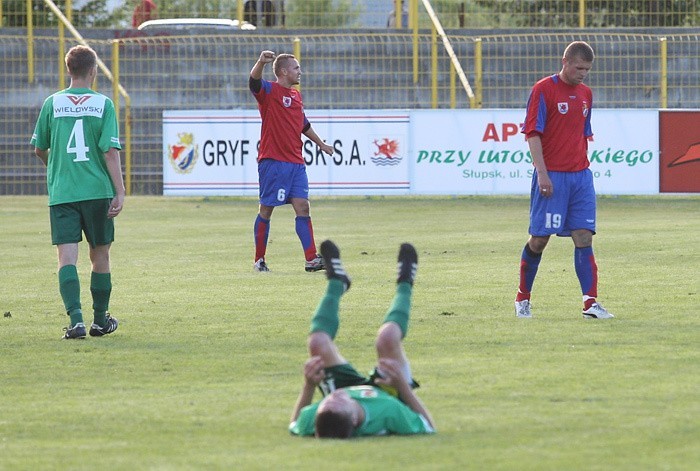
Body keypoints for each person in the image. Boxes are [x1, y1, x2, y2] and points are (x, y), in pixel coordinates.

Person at [289, 240, 436, 438]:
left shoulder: (322, 417)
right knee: (387, 338)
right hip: (389, 391)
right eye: (337, 402)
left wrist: (309, 386)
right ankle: (405, 282)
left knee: (317, 343)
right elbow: (428, 426)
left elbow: (295, 425)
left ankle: (337, 283)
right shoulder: (388, 412)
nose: (334, 397)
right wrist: (403, 387)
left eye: (326, 400)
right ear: (354, 420)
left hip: (346, 390)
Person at [31, 45, 125, 339]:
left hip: (62, 192)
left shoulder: (52, 103)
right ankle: (100, 320)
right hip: (97, 191)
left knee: (66, 258)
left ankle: (76, 321)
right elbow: (109, 152)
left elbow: (39, 148)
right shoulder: (103, 104)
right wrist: (119, 191)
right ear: (94, 71)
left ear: (68, 69)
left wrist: (58, 168)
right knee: (100, 256)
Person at [515, 41, 613, 319]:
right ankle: (523, 297)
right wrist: (542, 173)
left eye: (587, 69)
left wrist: (580, 167)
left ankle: (590, 303)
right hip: (553, 177)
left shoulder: (586, 94)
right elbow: (533, 133)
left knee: (584, 236)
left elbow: (583, 133)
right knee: (539, 240)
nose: (583, 73)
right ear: (565, 61)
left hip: (581, 178)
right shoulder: (543, 90)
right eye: (579, 67)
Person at [249, 50, 334, 273]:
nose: (300, 72)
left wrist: (321, 144)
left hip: (296, 162)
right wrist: (260, 62)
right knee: (266, 210)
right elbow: (253, 82)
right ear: (284, 71)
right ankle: (259, 260)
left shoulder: (296, 96)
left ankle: (311, 259)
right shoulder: (269, 91)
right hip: (273, 162)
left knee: (303, 206)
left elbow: (303, 124)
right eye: (296, 68)